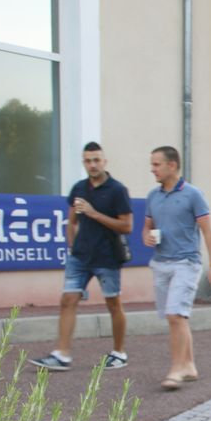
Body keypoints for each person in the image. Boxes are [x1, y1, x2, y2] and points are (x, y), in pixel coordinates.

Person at [29, 142, 133, 372]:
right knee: (67, 300)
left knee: (113, 304)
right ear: (83, 162)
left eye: (96, 160)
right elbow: (72, 222)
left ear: (104, 161)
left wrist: (93, 213)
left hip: (107, 258)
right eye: (88, 160)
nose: (92, 165)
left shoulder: (117, 190)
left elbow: (126, 226)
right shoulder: (79, 188)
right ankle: (62, 355)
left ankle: (119, 353)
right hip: (79, 258)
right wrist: (72, 247)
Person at [142, 146, 211, 390]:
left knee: (176, 314)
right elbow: (147, 227)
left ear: (172, 165)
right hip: (161, 262)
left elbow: (208, 231)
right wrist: (146, 236)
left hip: (186, 263)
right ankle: (188, 365)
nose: (152, 169)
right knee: (176, 318)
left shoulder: (193, 195)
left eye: (157, 164)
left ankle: (176, 370)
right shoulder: (153, 196)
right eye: (152, 164)